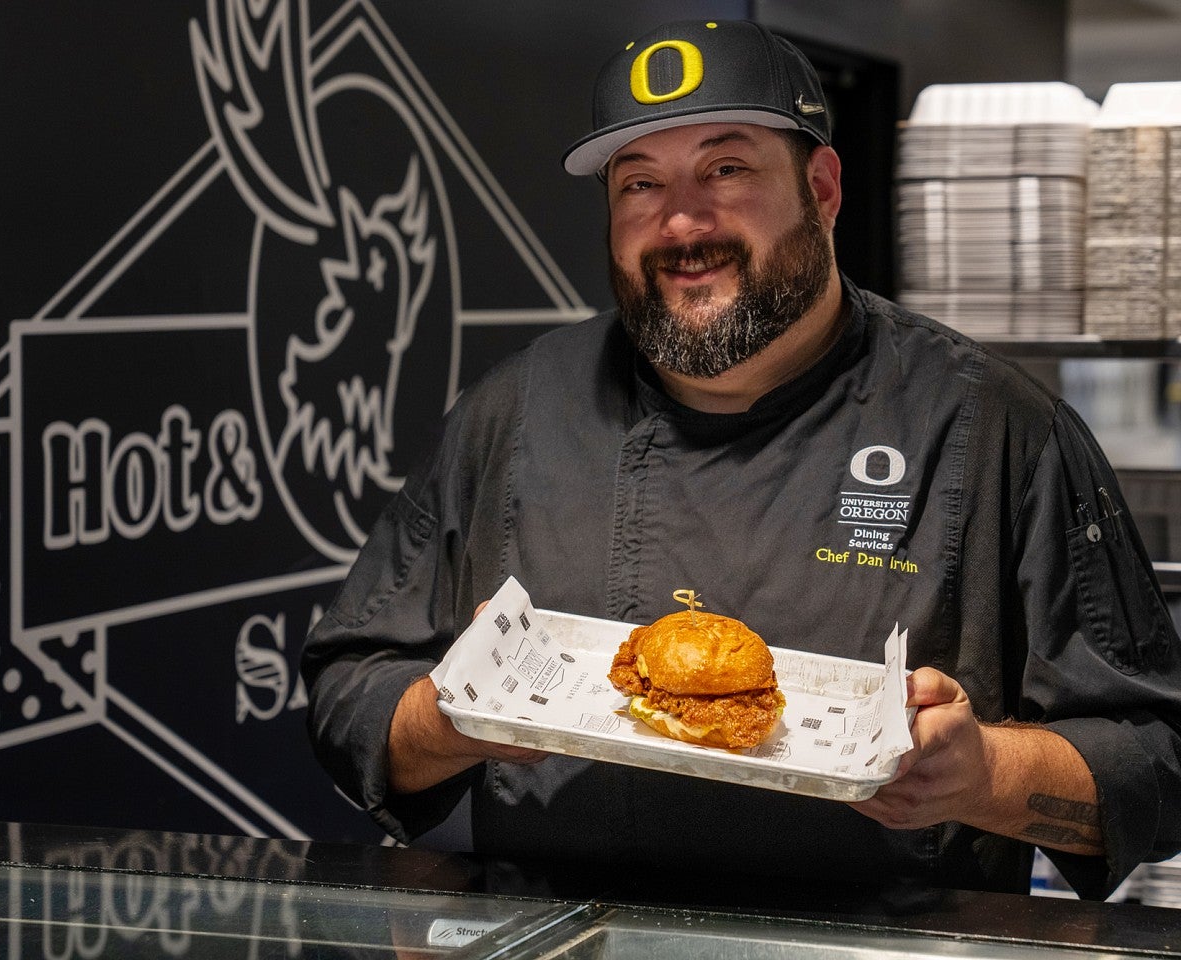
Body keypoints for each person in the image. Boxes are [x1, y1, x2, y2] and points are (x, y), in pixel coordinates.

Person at [300, 19, 1181, 899]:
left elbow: (1156, 760)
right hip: (556, 935)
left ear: (823, 187)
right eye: (640, 183)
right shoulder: (514, 410)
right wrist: (455, 719)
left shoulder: (995, 426)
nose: (683, 221)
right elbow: (350, 693)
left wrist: (981, 773)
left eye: (727, 168)